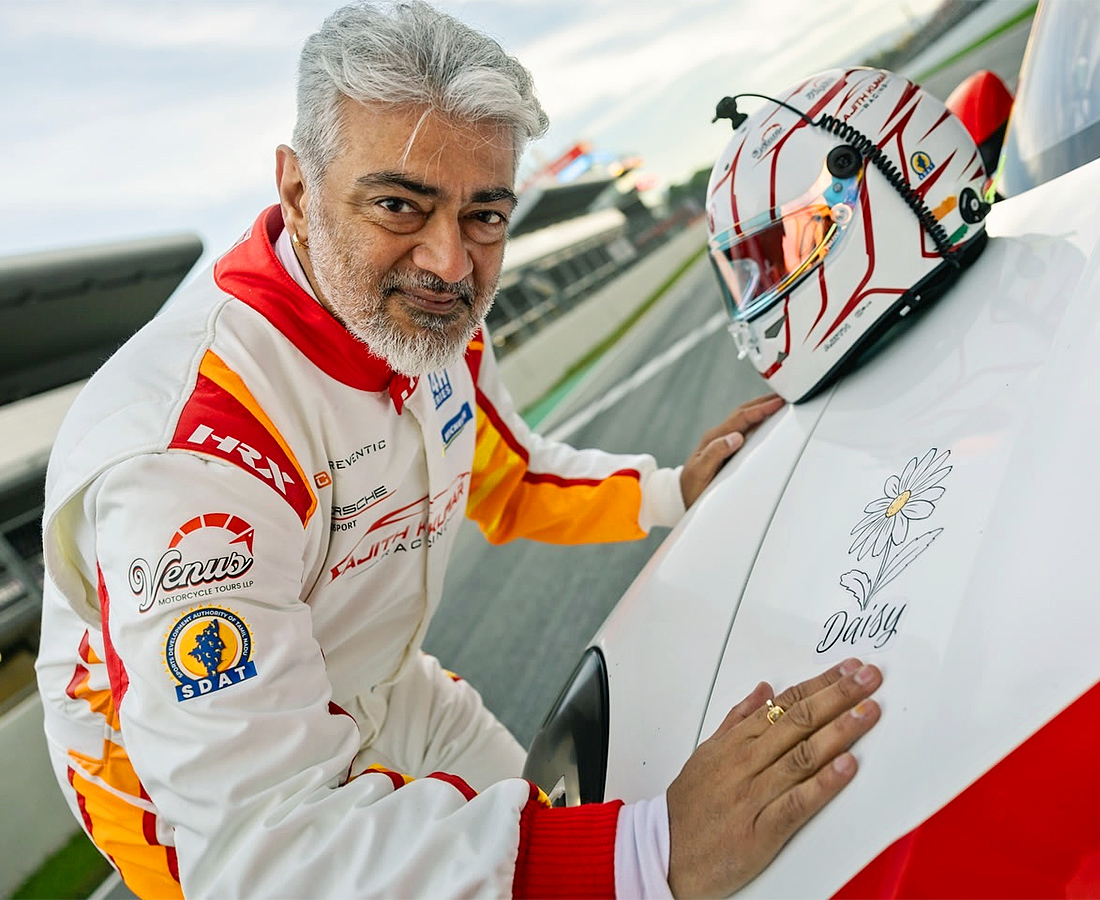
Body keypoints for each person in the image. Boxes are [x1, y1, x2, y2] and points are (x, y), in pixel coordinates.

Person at [35, 3, 882, 897]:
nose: (449, 262)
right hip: (195, 810)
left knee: (555, 837)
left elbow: (514, 480)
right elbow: (266, 849)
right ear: (296, 192)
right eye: (400, 203)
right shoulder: (191, 449)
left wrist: (678, 489)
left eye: (486, 213)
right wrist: (655, 851)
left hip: (387, 683)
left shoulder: (428, 326)